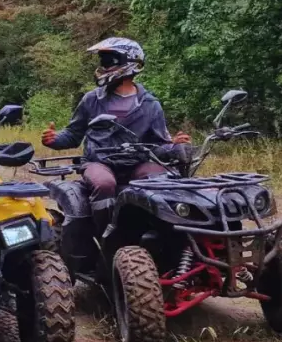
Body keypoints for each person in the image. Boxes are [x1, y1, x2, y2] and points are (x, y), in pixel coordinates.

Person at [41, 37, 191, 233]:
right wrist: (54, 139)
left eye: (108, 61)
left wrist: (174, 146)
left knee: (160, 180)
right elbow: (73, 134)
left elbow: (158, 145)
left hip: (138, 162)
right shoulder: (92, 99)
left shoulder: (150, 104)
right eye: (102, 62)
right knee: (104, 184)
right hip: (99, 162)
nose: (103, 67)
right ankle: (107, 235)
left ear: (129, 64)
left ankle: (156, 233)